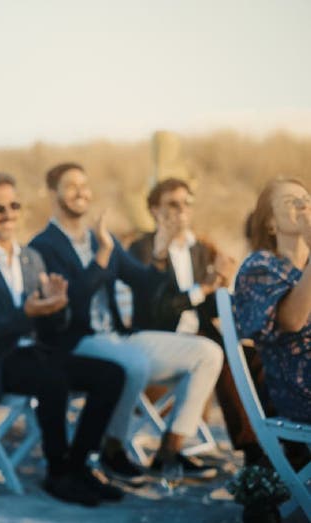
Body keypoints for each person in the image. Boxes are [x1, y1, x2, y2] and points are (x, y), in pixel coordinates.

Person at [29, 162, 222, 482]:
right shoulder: (42, 246)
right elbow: (69, 303)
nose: (82, 192)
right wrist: (103, 256)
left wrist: (159, 253)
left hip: (119, 336)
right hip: (77, 342)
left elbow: (144, 283)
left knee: (208, 352)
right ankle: (112, 449)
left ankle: (170, 449)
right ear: (52, 194)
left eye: (85, 185)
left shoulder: (100, 239)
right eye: (72, 186)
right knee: (133, 363)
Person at [0, 174, 125, 506]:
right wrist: (26, 312)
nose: (8, 214)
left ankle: (77, 466)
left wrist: (57, 307)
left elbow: (51, 328)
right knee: (51, 378)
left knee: (112, 374)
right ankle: (57, 474)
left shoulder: (32, 258)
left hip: (37, 353)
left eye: (14, 206)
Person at [128, 178, 265, 465]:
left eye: (186, 203)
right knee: (226, 358)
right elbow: (156, 310)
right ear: (154, 210)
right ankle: (249, 450)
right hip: (160, 338)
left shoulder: (202, 249)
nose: (182, 211)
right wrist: (203, 288)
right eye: (172, 204)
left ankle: (278, 444)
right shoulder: (142, 250)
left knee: (253, 356)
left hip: (200, 334)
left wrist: (224, 286)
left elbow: (212, 307)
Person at [235, 179, 311, 424]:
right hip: (299, 388)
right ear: (270, 223)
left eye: (307, 200)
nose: (302, 206)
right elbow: (292, 321)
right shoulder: (259, 267)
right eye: (291, 201)